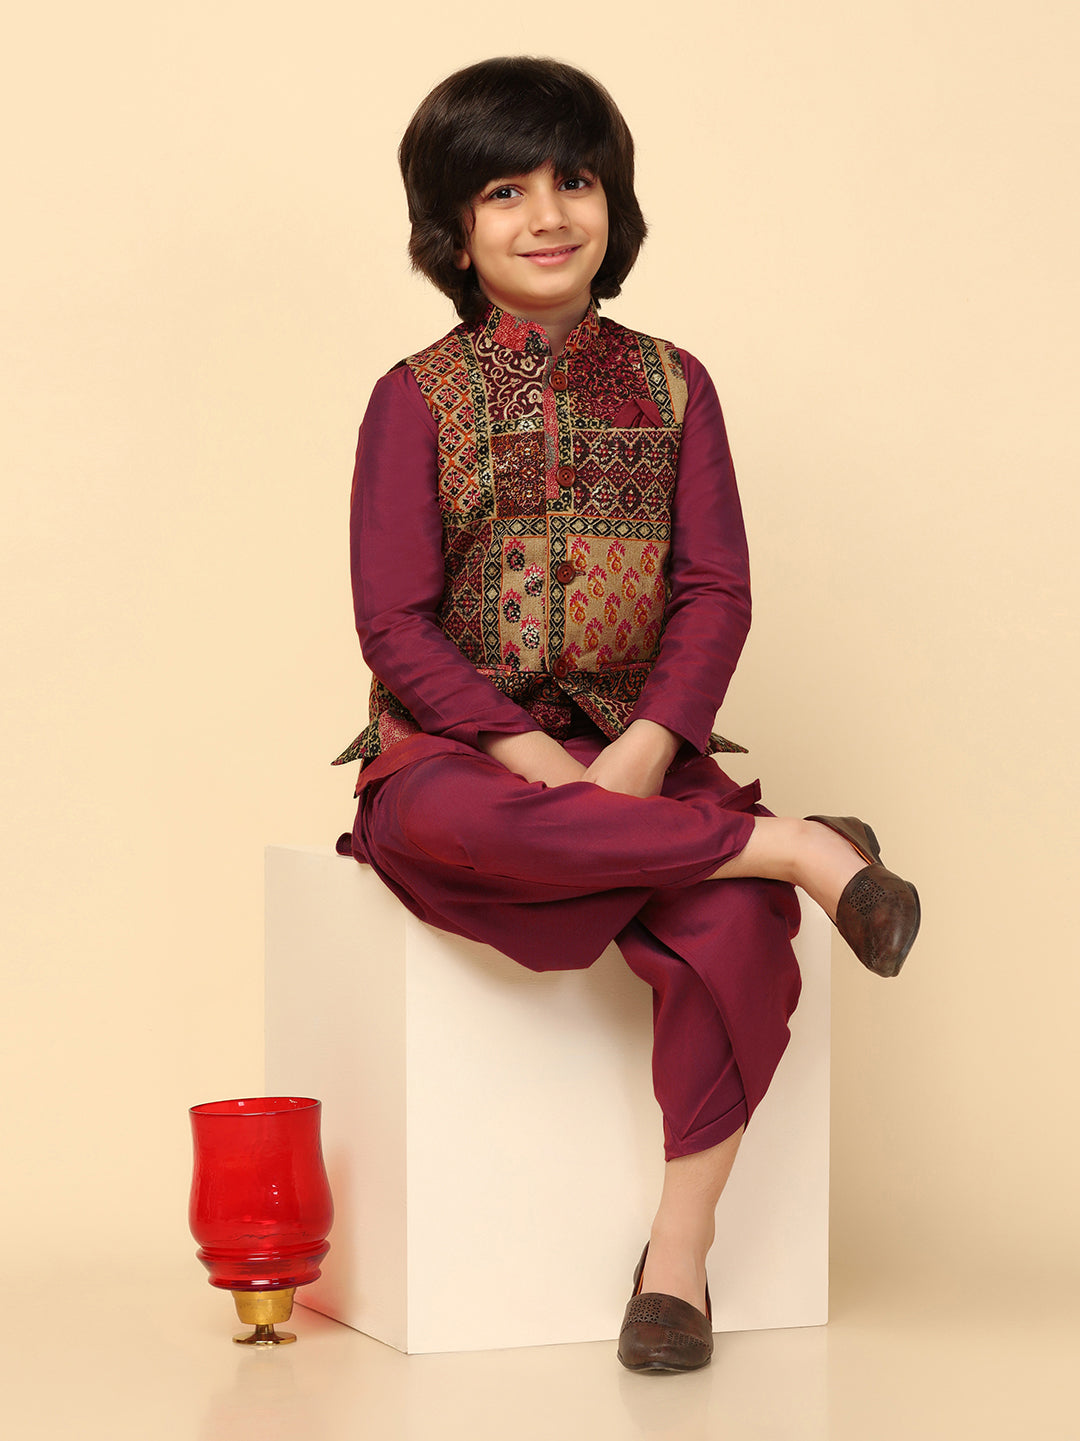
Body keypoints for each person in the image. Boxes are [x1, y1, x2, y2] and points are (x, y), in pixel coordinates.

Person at [333, 56, 920, 1373]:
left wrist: (648, 748)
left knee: (738, 928)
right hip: (462, 760)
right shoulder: (412, 400)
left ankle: (677, 1258)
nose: (548, 214)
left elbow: (715, 589)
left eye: (575, 180)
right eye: (505, 191)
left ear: (616, 202)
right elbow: (395, 624)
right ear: (453, 230)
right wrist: (530, 756)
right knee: (450, 829)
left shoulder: (676, 385)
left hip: (642, 751)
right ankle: (799, 845)